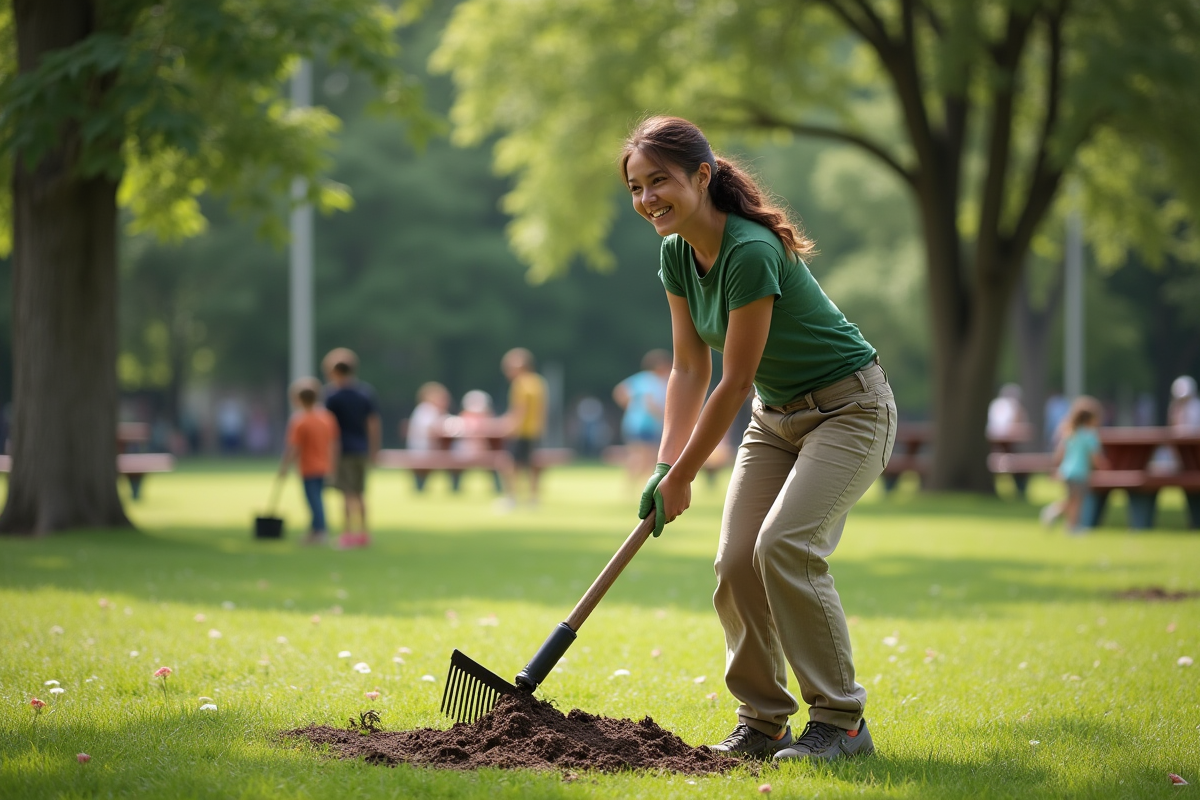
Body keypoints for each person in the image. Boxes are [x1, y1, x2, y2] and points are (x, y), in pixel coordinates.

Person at [623, 116, 895, 762]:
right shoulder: (675, 255)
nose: (646, 200)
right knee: (737, 560)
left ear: (702, 176)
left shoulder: (748, 250)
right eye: (635, 187)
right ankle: (765, 720)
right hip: (777, 420)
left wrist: (687, 474)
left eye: (658, 182)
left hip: (849, 409)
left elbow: (734, 379)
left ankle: (841, 722)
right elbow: (690, 368)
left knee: (785, 546)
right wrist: (667, 466)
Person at [322, 348, 381, 549]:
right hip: (361, 449)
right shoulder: (364, 393)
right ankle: (364, 533)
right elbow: (373, 424)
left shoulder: (332, 396)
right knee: (360, 493)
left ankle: (347, 534)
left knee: (346, 493)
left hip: (343, 450)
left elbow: (330, 429)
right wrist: (373, 450)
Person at [278, 378, 339, 545]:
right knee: (317, 498)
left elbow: (293, 447)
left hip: (309, 466)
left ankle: (320, 531)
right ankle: (315, 529)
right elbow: (333, 444)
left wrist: (284, 467)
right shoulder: (327, 417)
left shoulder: (300, 420)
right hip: (324, 464)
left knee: (313, 500)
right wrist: (333, 466)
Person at [613, 349, 671, 485]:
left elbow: (620, 391)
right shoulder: (652, 380)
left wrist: (631, 406)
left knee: (639, 456)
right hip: (645, 424)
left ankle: (632, 485)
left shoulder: (643, 379)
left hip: (634, 423)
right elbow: (650, 403)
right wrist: (664, 418)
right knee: (647, 457)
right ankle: (637, 485)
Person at [1050, 395, 1108, 533]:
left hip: (1067, 471)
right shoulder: (1090, 435)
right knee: (1078, 502)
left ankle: (1054, 513)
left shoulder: (1070, 433)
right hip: (1080, 473)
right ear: (1091, 419)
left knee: (1071, 500)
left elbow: (1059, 453)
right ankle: (1072, 527)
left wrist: (1056, 468)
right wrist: (1103, 465)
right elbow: (1095, 456)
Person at [500, 348, 548, 507]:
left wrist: (511, 427)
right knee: (532, 466)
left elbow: (520, 409)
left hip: (521, 431)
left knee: (508, 464)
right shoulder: (538, 381)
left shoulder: (521, 383)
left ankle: (511, 498)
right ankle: (533, 499)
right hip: (535, 431)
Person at [407, 381, 451, 493]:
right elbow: (433, 431)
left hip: (423, 449)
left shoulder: (427, 410)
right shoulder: (427, 409)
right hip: (423, 450)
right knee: (453, 457)